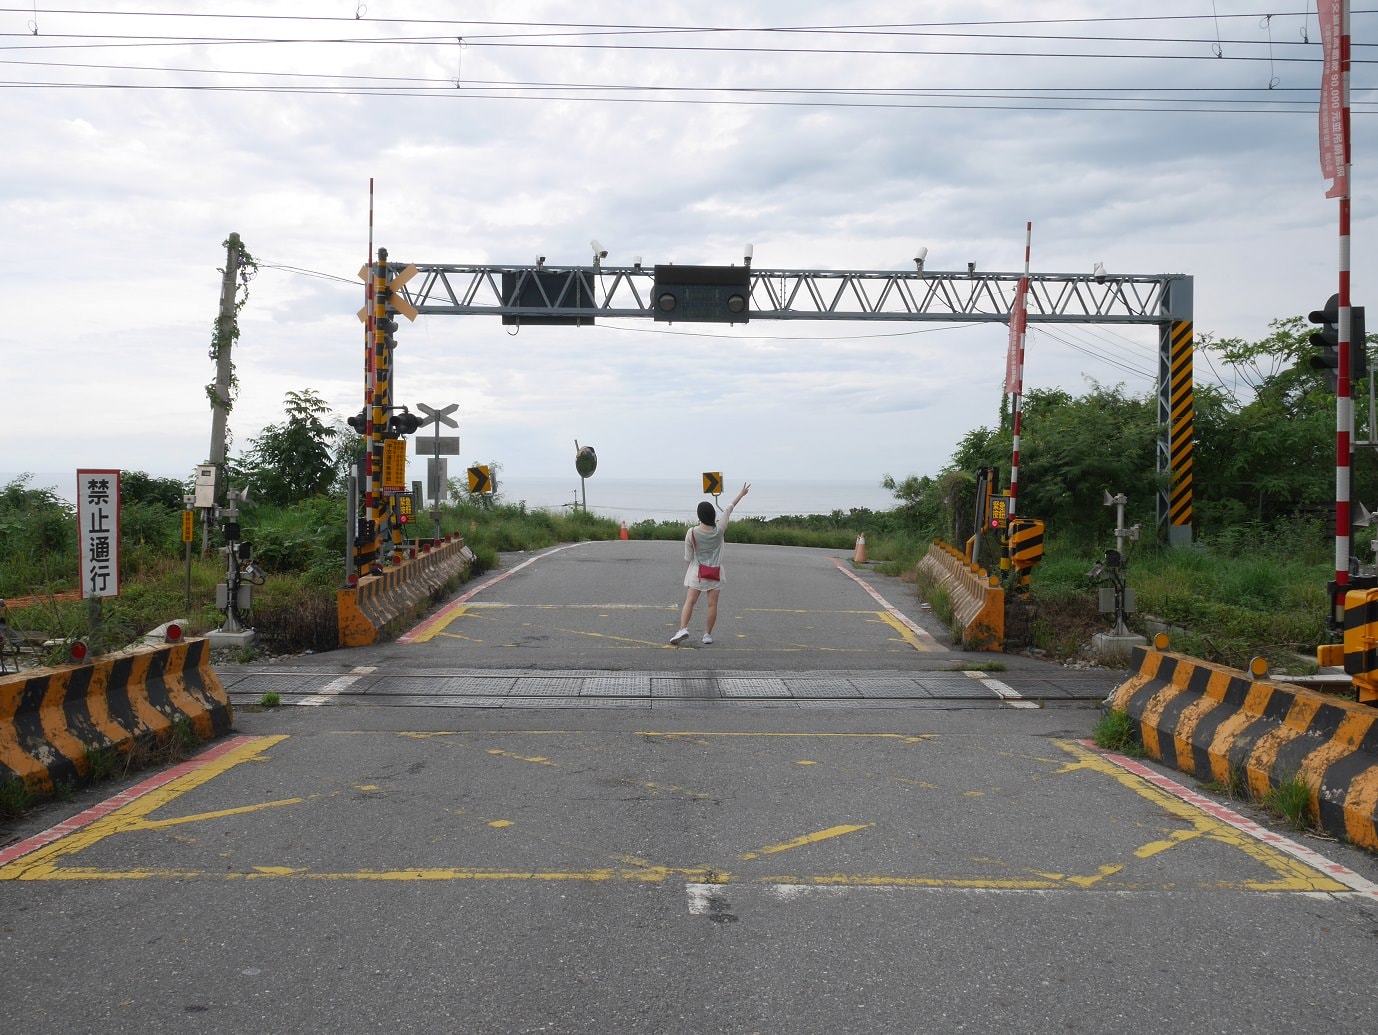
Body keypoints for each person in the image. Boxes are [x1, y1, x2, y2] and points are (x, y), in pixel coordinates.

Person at [671, 482, 750, 646]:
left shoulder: (692, 532)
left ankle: (683, 629)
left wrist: (689, 574)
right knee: (712, 604)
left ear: (699, 516)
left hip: (697, 573)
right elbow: (729, 508)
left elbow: (688, 557)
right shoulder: (719, 529)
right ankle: (707, 635)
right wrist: (741, 494)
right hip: (715, 572)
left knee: (690, 602)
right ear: (712, 514)